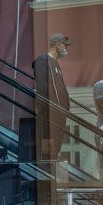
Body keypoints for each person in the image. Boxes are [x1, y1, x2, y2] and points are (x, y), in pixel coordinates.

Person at [31, 33, 71, 161]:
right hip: (50, 115)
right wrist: (49, 110)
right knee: (48, 152)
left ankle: (52, 165)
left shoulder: (55, 63)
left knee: (55, 149)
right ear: (58, 45)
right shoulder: (42, 61)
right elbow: (42, 89)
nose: (66, 48)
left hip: (58, 114)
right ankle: (47, 171)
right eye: (65, 45)